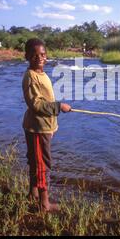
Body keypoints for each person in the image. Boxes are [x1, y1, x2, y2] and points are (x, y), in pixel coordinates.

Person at [22, 38, 71, 212]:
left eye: (42, 54)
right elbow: (35, 104)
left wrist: (53, 122)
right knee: (42, 164)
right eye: (34, 55)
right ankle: (44, 204)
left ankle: (32, 194)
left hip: (43, 127)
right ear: (27, 56)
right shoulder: (30, 76)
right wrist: (59, 106)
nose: (39, 58)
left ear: (46, 56)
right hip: (37, 128)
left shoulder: (41, 73)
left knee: (36, 162)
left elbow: (44, 100)